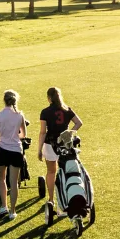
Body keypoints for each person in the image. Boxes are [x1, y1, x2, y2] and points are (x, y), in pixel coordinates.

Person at [38, 86, 84, 221]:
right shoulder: (66, 109)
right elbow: (78, 123)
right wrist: (69, 133)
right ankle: (69, 197)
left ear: (49, 98)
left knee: (51, 172)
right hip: (65, 145)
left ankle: (51, 199)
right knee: (66, 171)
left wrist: (39, 149)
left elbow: (42, 132)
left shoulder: (45, 112)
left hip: (50, 145)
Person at [0, 90, 28, 220]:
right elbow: (23, 135)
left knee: (1, 179)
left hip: (2, 150)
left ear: (4, 100)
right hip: (16, 150)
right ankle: (12, 211)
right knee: (14, 182)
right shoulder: (20, 115)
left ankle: (3, 206)